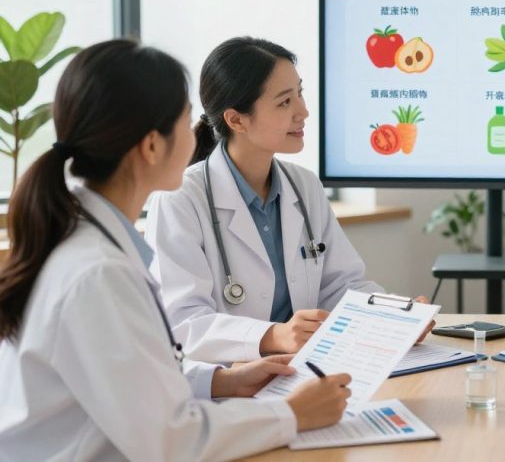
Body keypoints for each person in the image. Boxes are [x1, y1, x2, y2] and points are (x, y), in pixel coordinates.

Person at [0, 40, 352, 461]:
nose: (196, 135)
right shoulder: (97, 272)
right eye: (186, 122)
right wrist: (291, 414)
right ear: (151, 147)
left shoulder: (93, 248)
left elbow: (130, 381)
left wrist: (220, 381)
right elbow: (169, 440)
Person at [147, 37, 431, 365]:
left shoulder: (304, 185)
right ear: (236, 120)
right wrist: (273, 336)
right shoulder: (180, 200)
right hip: (226, 384)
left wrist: (397, 318)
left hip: (305, 370)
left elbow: (342, 286)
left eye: (300, 93)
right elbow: (183, 323)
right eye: (284, 102)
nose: (303, 112)